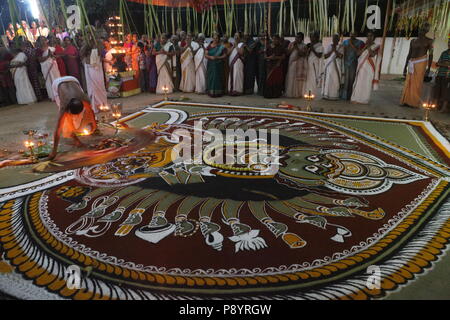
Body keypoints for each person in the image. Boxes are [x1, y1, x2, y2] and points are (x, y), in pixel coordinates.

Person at [49, 76, 97, 160]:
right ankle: (77, 141)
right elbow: (57, 130)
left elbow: (91, 113)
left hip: (73, 80)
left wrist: (94, 125)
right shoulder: (64, 106)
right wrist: (54, 151)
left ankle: (77, 140)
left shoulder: (85, 99)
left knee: (83, 117)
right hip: (57, 84)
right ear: (68, 109)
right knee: (66, 122)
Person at [400, 23, 434, 108]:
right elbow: (409, 54)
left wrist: (428, 69)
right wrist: (405, 67)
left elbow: (431, 55)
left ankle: (414, 102)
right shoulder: (413, 41)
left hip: (421, 63)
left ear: (426, 31)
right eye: (420, 29)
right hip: (411, 62)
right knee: (409, 82)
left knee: (417, 83)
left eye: (422, 30)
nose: (420, 31)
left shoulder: (429, 41)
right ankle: (406, 101)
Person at [351, 31, 380, 104]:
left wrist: (369, 47)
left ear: (374, 37)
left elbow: (372, 55)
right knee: (359, 81)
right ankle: (356, 98)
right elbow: (358, 53)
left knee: (367, 82)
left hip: (369, 66)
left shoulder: (377, 46)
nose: (369, 37)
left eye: (371, 36)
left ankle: (364, 100)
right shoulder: (363, 45)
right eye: (368, 36)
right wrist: (365, 46)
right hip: (362, 66)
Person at [80, 33, 108, 112]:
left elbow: (102, 52)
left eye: (91, 31)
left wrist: (95, 44)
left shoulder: (98, 42)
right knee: (93, 86)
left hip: (97, 65)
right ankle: (95, 105)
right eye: (87, 32)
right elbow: (81, 53)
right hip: (90, 65)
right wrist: (87, 44)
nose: (90, 34)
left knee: (100, 84)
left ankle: (103, 103)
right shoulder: (85, 43)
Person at [36, 36, 61, 101]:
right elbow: (40, 60)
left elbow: (55, 56)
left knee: (56, 78)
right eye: (41, 40)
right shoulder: (39, 50)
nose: (43, 41)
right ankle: (52, 96)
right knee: (49, 80)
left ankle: (59, 94)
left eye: (44, 40)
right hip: (45, 67)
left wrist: (53, 56)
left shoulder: (51, 48)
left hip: (53, 65)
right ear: (38, 42)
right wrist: (48, 56)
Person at [341, 32, 364, 100]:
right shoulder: (345, 42)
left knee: (352, 80)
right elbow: (343, 53)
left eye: (354, 34)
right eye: (351, 34)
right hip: (346, 63)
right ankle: (344, 96)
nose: (352, 35)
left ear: (356, 35)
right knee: (346, 80)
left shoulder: (360, 42)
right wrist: (343, 63)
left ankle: (351, 96)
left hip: (354, 63)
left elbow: (359, 53)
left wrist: (351, 44)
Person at [285, 32, 308, 98]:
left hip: (300, 64)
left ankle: (298, 94)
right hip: (292, 63)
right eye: (296, 37)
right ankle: (290, 93)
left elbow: (303, 54)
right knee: (291, 77)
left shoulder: (304, 46)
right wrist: (293, 47)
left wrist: (297, 48)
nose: (297, 39)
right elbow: (287, 53)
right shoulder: (291, 44)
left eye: (298, 37)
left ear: (302, 38)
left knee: (298, 80)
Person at [322, 34, 344, 101]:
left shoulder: (341, 47)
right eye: (333, 38)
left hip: (337, 66)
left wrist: (335, 50)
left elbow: (340, 56)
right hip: (329, 65)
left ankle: (334, 96)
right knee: (328, 80)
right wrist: (332, 50)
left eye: (336, 38)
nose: (334, 40)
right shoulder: (329, 46)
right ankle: (326, 95)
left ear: (338, 39)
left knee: (335, 80)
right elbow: (325, 56)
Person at [206, 33, 227, 97]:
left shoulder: (221, 46)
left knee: (218, 77)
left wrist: (218, 57)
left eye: (216, 38)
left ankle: (218, 92)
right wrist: (210, 57)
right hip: (211, 64)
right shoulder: (209, 46)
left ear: (218, 39)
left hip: (218, 64)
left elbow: (225, 55)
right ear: (212, 38)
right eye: (214, 38)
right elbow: (206, 54)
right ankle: (211, 92)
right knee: (211, 77)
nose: (215, 39)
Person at [305, 31, 324, 97]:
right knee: (308, 78)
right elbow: (307, 54)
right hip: (309, 63)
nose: (311, 38)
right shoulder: (310, 45)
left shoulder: (320, 45)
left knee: (313, 78)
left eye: (312, 37)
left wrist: (312, 49)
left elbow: (319, 55)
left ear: (316, 38)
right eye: (310, 37)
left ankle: (313, 93)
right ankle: (308, 92)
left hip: (315, 64)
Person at [434, 37, 450, 113]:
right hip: (440, 74)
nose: (449, 44)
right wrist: (446, 65)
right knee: (437, 90)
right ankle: (435, 106)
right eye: (449, 43)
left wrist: (443, 64)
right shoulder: (444, 53)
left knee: (445, 92)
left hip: (447, 76)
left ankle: (443, 108)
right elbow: (437, 63)